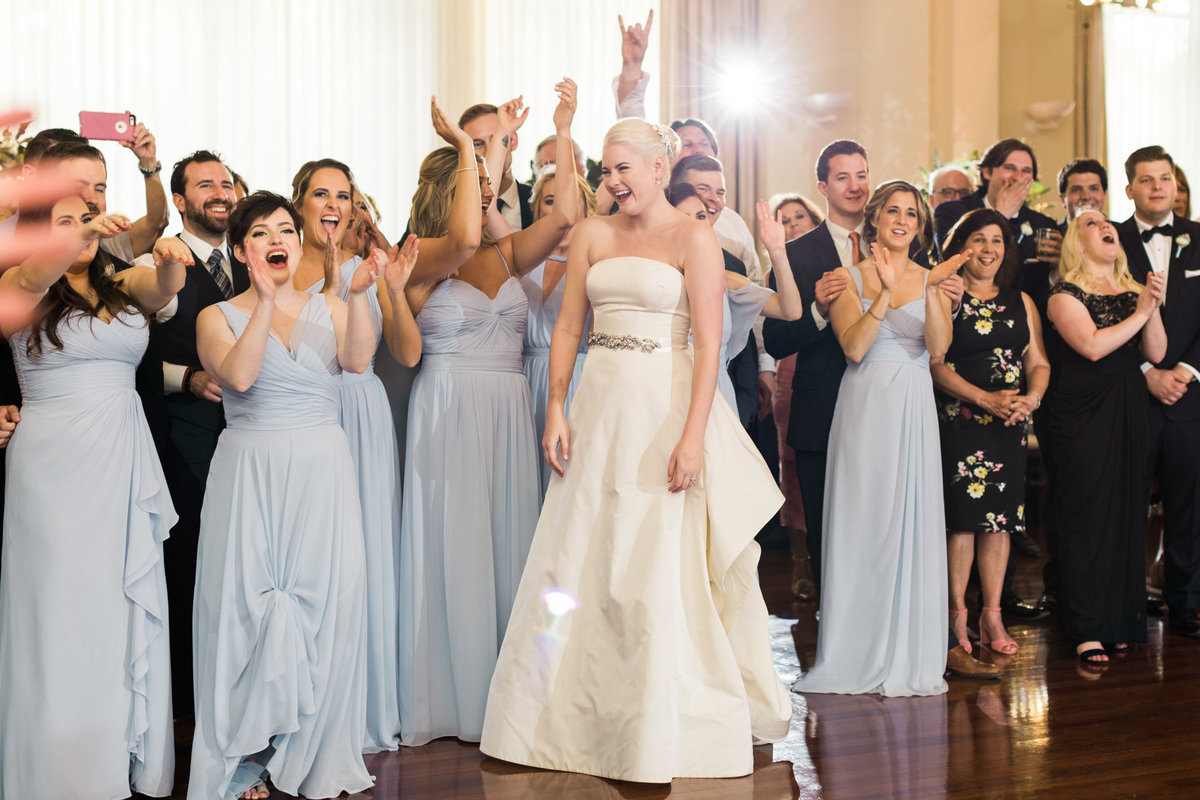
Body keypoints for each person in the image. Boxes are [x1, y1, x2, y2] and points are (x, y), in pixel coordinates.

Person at [480, 116, 792, 783]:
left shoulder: (695, 239)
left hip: (666, 405)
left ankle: (656, 720)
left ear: (660, 167)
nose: (613, 180)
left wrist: (691, 438)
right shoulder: (592, 234)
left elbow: (709, 344)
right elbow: (568, 330)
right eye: (606, 169)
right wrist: (556, 408)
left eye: (625, 167)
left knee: (653, 558)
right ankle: (558, 713)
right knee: (580, 551)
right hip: (600, 406)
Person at [398, 81, 580, 746]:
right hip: (448, 409)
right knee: (457, 544)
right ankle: (454, 696)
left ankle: (513, 694)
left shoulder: (506, 252)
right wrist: (470, 145)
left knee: (510, 544)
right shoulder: (420, 257)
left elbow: (562, 221)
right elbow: (467, 230)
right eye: (469, 182)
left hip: (507, 411)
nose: (482, 193)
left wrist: (556, 131)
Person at [189, 191, 387, 799]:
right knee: (245, 605)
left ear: (298, 242)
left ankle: (308, 750)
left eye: (285, 230)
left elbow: (357, 364)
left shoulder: (331, 303)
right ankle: (244, 754)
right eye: (261, 233)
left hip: (323, 469)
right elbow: (241, 377)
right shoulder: (215, 316)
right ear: (243, 248)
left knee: (324, 599)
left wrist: (356, 296)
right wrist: (265, 306)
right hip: (252, 471)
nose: (277, 240)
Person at [0, 194, 188, 798]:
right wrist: (75, 234)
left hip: (122, 461)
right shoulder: (19, 282)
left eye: (88, 217)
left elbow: (161, 290)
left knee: (117, 605)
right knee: (60, 608)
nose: (82, 230)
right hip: (53, 466)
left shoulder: (119, 284)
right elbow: (34, 272)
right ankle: (56, 770)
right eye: (64, 222)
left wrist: (167, 258)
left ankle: (118, 754)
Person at [793, 180, 964, 696]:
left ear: (921, 225)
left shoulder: (933, 279)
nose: (902, 219)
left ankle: (907, 650)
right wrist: (886, 292)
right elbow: (855, 348)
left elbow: (937, 351)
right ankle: (855, 649)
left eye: (912, 213)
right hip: (866, 404)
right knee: (865, 520)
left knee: (910, 520)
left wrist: (932, 289)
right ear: (875, 219)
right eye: (892, 210)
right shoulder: (848, 276)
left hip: (913, 404)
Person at [762, 140, 944, 599]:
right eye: (842, 177)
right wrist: (820, 310)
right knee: (834, 538)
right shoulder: (800, 253)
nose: (855, 186)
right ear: (822, 187)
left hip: (895, 411)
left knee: (893, 526)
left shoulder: (907, 246)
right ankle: (841, 639)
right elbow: (777, 339)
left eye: (861, 174)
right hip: (824, 408)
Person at [289, 158, 422, 753]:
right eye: (320, 194)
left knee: (364, 552)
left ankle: (365, 705)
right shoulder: (281, 265)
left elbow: (409, 352)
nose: (333, 205)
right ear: (298, 203)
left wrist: (390, 285)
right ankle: (308, 704)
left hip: (361, 411)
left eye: (343, 195)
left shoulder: (367, 270)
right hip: (305, 414)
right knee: (313, 557)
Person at [1045, 209, 1166, 665]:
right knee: (1086, 512)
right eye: (1091, 223)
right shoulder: (1064, 295)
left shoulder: (1135, 291)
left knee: (1126, 511)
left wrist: (1150, 306)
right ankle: (1085, 626)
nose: (1104, 226)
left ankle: (1119, 621)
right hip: (1082, 412)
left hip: (1129, 410)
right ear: (1077, 241)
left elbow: (1155, 351)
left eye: (1106, 220)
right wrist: (1140, 312)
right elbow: (1092, 346)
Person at [932, 209, 1050, 657]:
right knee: (962, 523)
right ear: (961, 247)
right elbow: (935, 364)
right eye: (977, 240)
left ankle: (992, 614)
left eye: (996, 240)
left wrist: (1032, 397)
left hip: (1009, 425)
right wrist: (982, 399)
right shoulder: (947, 294)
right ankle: (956, 615)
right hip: (961, 424)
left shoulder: (1022, 301)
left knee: (1000, 523)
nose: (988, 249)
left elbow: (1037, 361)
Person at [1115, 145, 1200, 640]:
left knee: (1190, 503)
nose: (1157, 187)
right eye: (1146, 180)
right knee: (1127, 503)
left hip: (1190, 395)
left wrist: (1185, 370)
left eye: (1164, 178)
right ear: (1130, 190)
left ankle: (1187, 602)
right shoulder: (1111, 239)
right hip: (1132, 394)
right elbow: (1101, 311)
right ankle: (1125, 603)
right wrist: (1146, 369)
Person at [517, 168, 597, 495]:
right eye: (551, 200)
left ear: (586, 211)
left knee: (573, 484)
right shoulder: (519, 261)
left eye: (571, 200)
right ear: (538, 211)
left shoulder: (600, 265)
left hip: (580, 382)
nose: (562, 208)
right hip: (524, 383)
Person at [934, 139, 1060, 316]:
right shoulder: (952, 211)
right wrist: (1001, 214)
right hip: (963, 313)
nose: (1017, 177)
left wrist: (1057, 268)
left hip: (1024, 316)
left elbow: (1041, 285)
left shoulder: (1042, 225)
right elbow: (949, 262)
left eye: (1026, 171)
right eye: (1010, 168)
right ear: (987, 172)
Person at [768, 192, 823, 598]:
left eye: (799, 216)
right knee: (794, 469)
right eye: (783, 220)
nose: (792, 225)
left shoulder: (831, 258)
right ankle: (800, 559)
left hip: (833, 367)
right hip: (789, 369)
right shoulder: (777, 267)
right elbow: (765, 331)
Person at [460, 102, 534, 230]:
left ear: (513, 141)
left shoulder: (539, 201)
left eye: (496, 140)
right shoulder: (449, 207)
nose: (490, 151)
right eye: (477, 144)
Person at [1057, 159, 1108, 227]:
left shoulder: (1120, 234)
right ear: (1063, 199)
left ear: (1104, 194)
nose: (1086, 197)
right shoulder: (1053, 235)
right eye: (1076, 190)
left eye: (1094, 189)